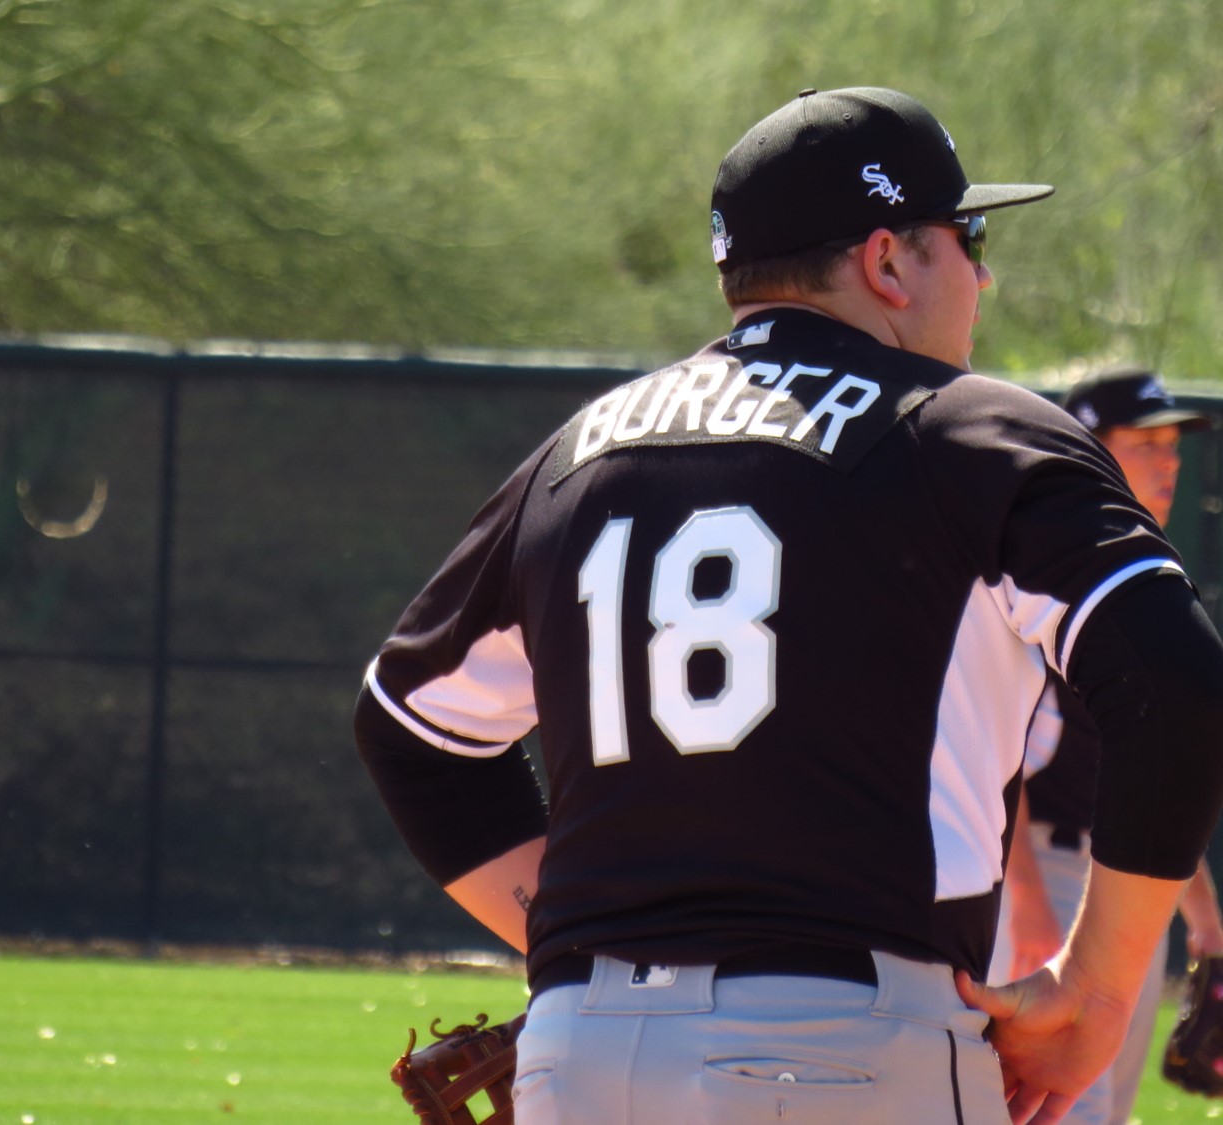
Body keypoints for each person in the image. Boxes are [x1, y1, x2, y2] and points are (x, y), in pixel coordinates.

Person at [354, 86, 1223, 1125]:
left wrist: (584, 939)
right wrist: (1093, 993)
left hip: (579, 1057)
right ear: (886, 261)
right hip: (846, 1048)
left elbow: (408, 729)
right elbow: (1174, 684)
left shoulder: (576, 453)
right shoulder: (967, 431)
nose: (982, 274)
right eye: (967, 235)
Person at [990, 366, 1223, 1124]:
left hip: (1121, 878)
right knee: (1063, 1106)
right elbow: (1001, 755)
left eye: (1174, 444)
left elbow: (1152, 774)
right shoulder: (1043, 569)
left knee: (1102, 1112)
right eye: (1147, 442)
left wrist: (1206, 917)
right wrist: (1024, 898)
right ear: (1088, 448)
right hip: (1046, 876)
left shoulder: (1140, 567)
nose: (1170, 460)